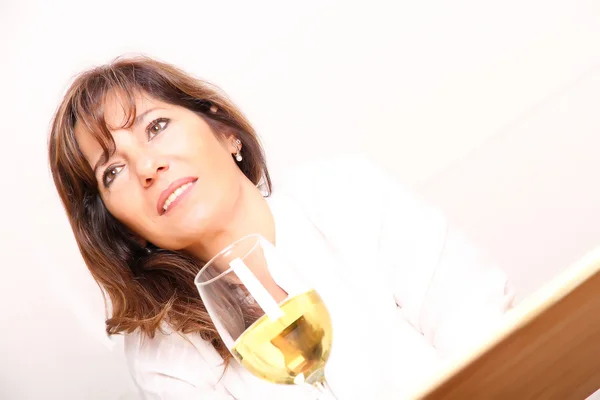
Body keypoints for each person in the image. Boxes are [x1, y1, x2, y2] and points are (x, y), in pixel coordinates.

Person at [48, 56, 515, 399]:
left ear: (226, 133)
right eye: (113, 171)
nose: (147, 166)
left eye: (156, 127)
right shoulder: (165, 357)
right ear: (126, 230)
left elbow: (487, 334)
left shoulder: (343, 194)